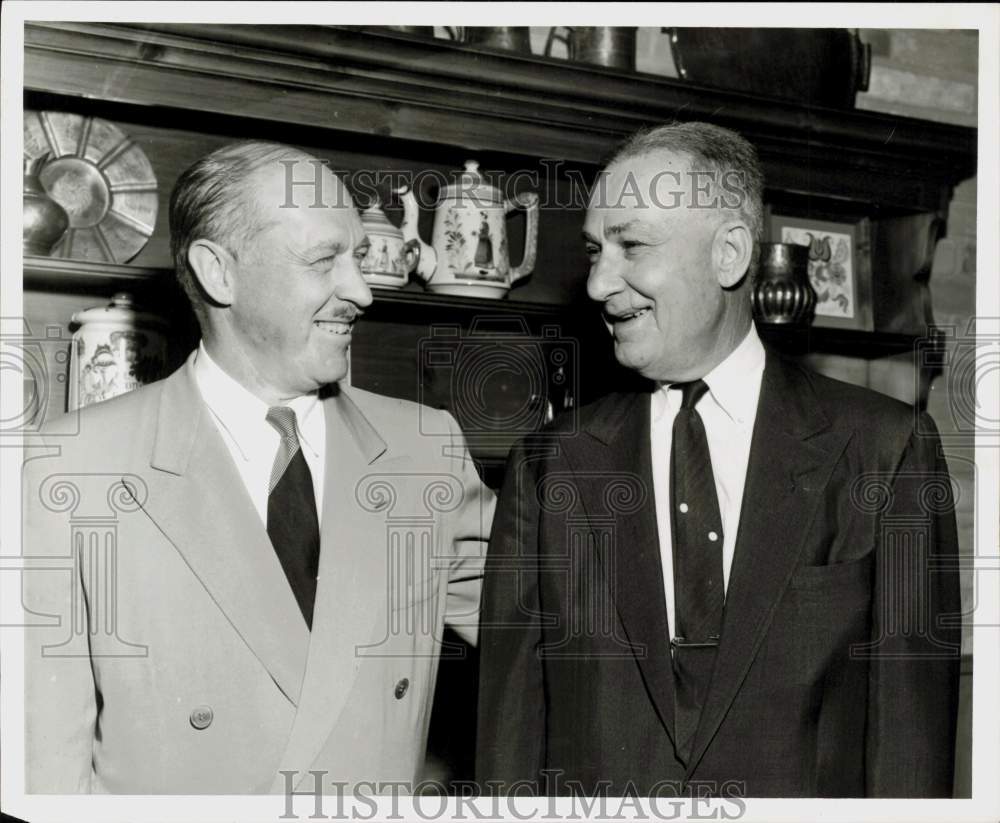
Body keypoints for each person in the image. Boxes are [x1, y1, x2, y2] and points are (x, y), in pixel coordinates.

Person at [476, 122, 961, 798]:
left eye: (631, 245)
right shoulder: (549, 465)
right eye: (594, 250)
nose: (597, 283)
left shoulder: (886, 449)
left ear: (730, 253)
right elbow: (510, 742)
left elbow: (910, 745)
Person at [23, 141, 494, 794]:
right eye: (324, 259)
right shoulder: (73, 467)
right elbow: (45, 773)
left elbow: (570, 637)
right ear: (219, 273)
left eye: (357, 258)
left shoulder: (424, 450)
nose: (361, 291)